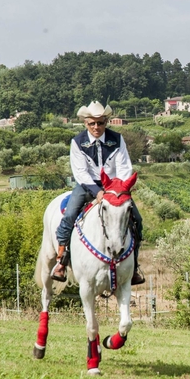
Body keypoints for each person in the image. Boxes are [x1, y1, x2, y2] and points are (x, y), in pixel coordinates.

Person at [50, 101, 145, 285]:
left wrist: (114, 190)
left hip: (114, 188)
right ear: (85, 123)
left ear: (106, 121)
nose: (96, 127)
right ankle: (62, 260)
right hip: (87, 186)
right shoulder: (77, 142)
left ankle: (134, 266)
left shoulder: (117, 139)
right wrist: (97, 191)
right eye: (92, 123)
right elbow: (80, 173)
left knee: (137, 219)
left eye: (100, 123)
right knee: (69, 215)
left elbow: (125, 168)